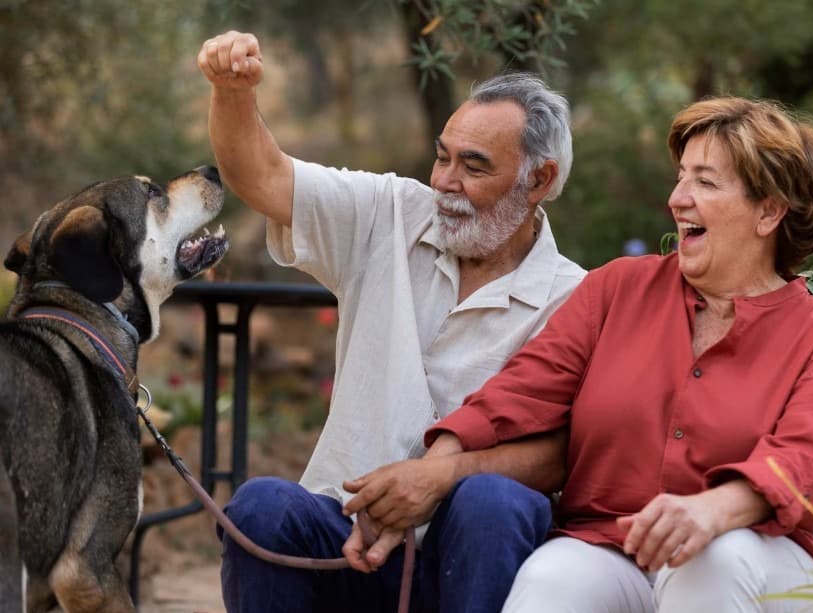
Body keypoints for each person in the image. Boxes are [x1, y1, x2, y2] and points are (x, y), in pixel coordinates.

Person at [349, 97, 813, 611]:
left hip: (757, 554)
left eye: (705, 182)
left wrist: (711, 512)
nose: (678, 198)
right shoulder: (618, 288)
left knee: (714, 558)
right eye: (681, 176)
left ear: (770, 212)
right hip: (612, 541)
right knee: (553, 578)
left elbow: (800, 460)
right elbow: (518, 392)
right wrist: (429, 476)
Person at [196, 31, 585, 613]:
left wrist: (437, 480)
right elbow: (263, 177)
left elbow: (564, 452)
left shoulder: (575, 297)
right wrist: (232, 91)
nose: (445, 182)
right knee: (261, 508)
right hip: (345, 536)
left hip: (475, 555)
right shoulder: (390, 212)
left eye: (473, 166)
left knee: (492, 504)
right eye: (442, 156)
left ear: (540, 180)